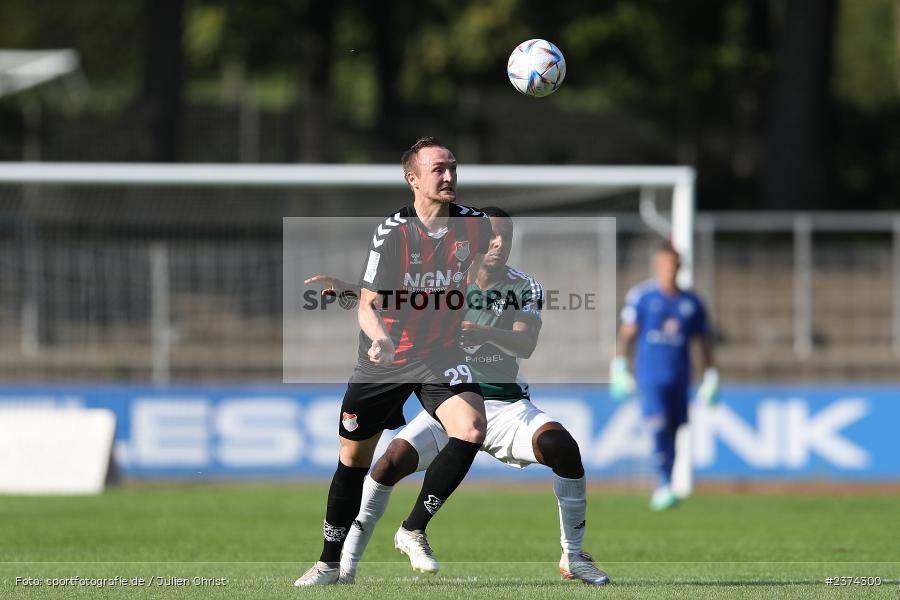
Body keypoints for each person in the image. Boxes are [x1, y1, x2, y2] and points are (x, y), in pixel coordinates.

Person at [306, 207, 610, 586]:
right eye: (492, 236)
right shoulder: (444, 281)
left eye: (505, 237)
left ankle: (574, 556)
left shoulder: (522, 287)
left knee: (562, 446)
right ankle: (346, 567)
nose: (498, 244)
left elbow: (526, 343)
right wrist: (348, 289)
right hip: (448, 401)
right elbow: (391, 297)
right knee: (388, 464)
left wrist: (485, 333)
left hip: (503, 405)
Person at [294, 137, 492, 586]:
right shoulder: (392, 233)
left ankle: (413, 528)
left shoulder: (475, 225)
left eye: (453, 167)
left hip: (440, 354)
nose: (449, 176)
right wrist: (380, 337)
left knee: (471, 429)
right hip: (386, 359)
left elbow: (466, 279)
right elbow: (370, 303)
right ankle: (328, 565)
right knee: (353, 461)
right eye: (438, 169)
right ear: (413, 179)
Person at [610, 242, 719, 511]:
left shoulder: (692, 302)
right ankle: (664, 483)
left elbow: (704, 342)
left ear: (680, 267)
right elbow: (627, 333)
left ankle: (665, 484)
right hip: (650, 376)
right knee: (658, 425)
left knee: (673, 431)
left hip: (680, 377)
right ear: (657, 266)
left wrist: (711, 376)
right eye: (665, 264)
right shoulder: (643, 297)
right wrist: (619, 366)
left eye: (674, 265)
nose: (670, 269)